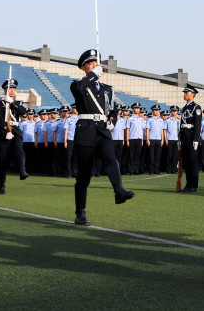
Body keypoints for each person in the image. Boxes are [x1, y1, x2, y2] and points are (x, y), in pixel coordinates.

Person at [70, 49, 134, 225]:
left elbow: (113, 109)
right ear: (84, 67)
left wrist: (112, 120)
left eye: (96, 63)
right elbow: (82, 88)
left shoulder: (108, 89)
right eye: (91, 64)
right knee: (84, 176)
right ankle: (80, 212)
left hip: (103, 130)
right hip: (86, 131)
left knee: (112, 160)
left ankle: (119, 190)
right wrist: (93, 75)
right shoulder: (77, 84)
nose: (95, 66)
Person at [0, 78, 29, 194]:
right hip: (5, 134)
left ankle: (22, 171)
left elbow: (24, 112)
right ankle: (1, 185)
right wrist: (6, 131)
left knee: (19, 150)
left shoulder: (17, 103)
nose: (12, 91)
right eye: (9, 89)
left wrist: (13, 103)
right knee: (4, 160)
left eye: (13, 89)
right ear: (5, 90)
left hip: (16, 131)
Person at [178, 85, 203, 193]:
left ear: (192, 95)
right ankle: (188, 185)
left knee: (193, 162)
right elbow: (182, 124)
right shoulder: (184, 108)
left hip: (192, 138)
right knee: (186, 163)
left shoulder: (196, 107)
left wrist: (196, 139)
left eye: (186, 93)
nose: (184, 94)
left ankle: (193, 185)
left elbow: (197, 124)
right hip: (184, 138)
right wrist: (180, 139)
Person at [146, 105, 166, 174]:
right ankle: (151, 170)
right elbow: (147, 130)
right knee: (151, 156)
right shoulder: (150, 120)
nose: (157, 111)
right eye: (156, 110)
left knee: (158, 156)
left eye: (158, 110)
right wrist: (147, 139)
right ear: (152, 111)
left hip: (159, 139)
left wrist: (162, 139)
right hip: (152, 139)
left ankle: (156, 169)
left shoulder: (161, 120)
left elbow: (162, 130)